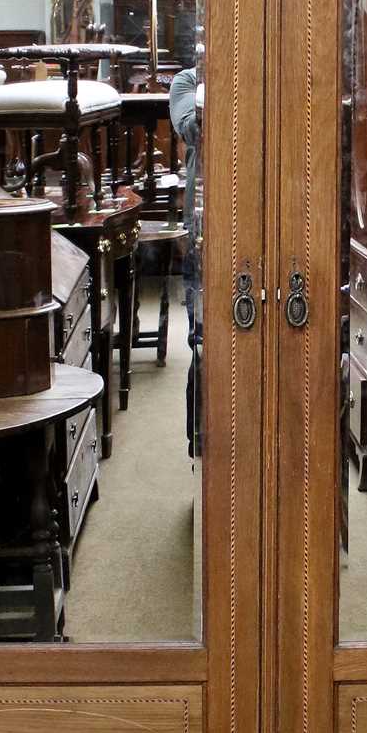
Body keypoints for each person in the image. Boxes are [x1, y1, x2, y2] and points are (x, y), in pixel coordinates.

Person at [168, 65, 202, 454]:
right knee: (202, 339)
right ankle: (199, 438)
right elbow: (193, 129)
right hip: (204, 228)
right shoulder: (186, 81)